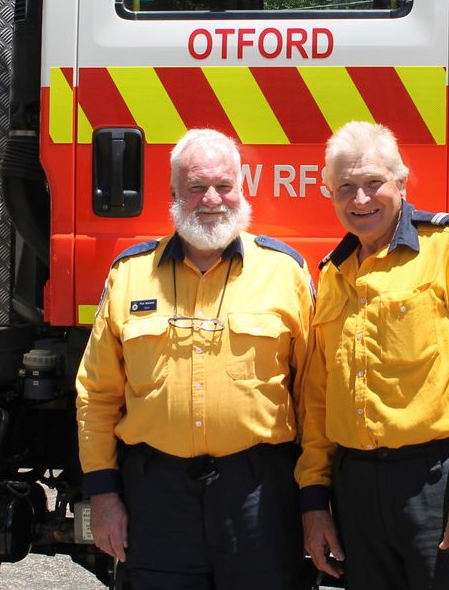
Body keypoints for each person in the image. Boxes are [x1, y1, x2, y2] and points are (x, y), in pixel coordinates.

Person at [75, 128, 313, 589]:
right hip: (158, 495)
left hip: (259, 493)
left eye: (224, 186)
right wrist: (103, 494)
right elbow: (96, 394)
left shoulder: (286, 273)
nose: (212, 199)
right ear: (172, 194)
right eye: (196, 187)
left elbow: (314, 395)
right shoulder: (129, 275)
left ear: (241, 189)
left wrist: (315, 499)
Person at [296, 121, 449, 589]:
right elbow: (318, 399)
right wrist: (315, 500)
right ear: (330, 193)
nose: (361, 201)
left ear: (401, 181)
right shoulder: (333, 275)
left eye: (374, 183)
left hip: (436, 485)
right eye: (346, 188)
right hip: (355, 490)